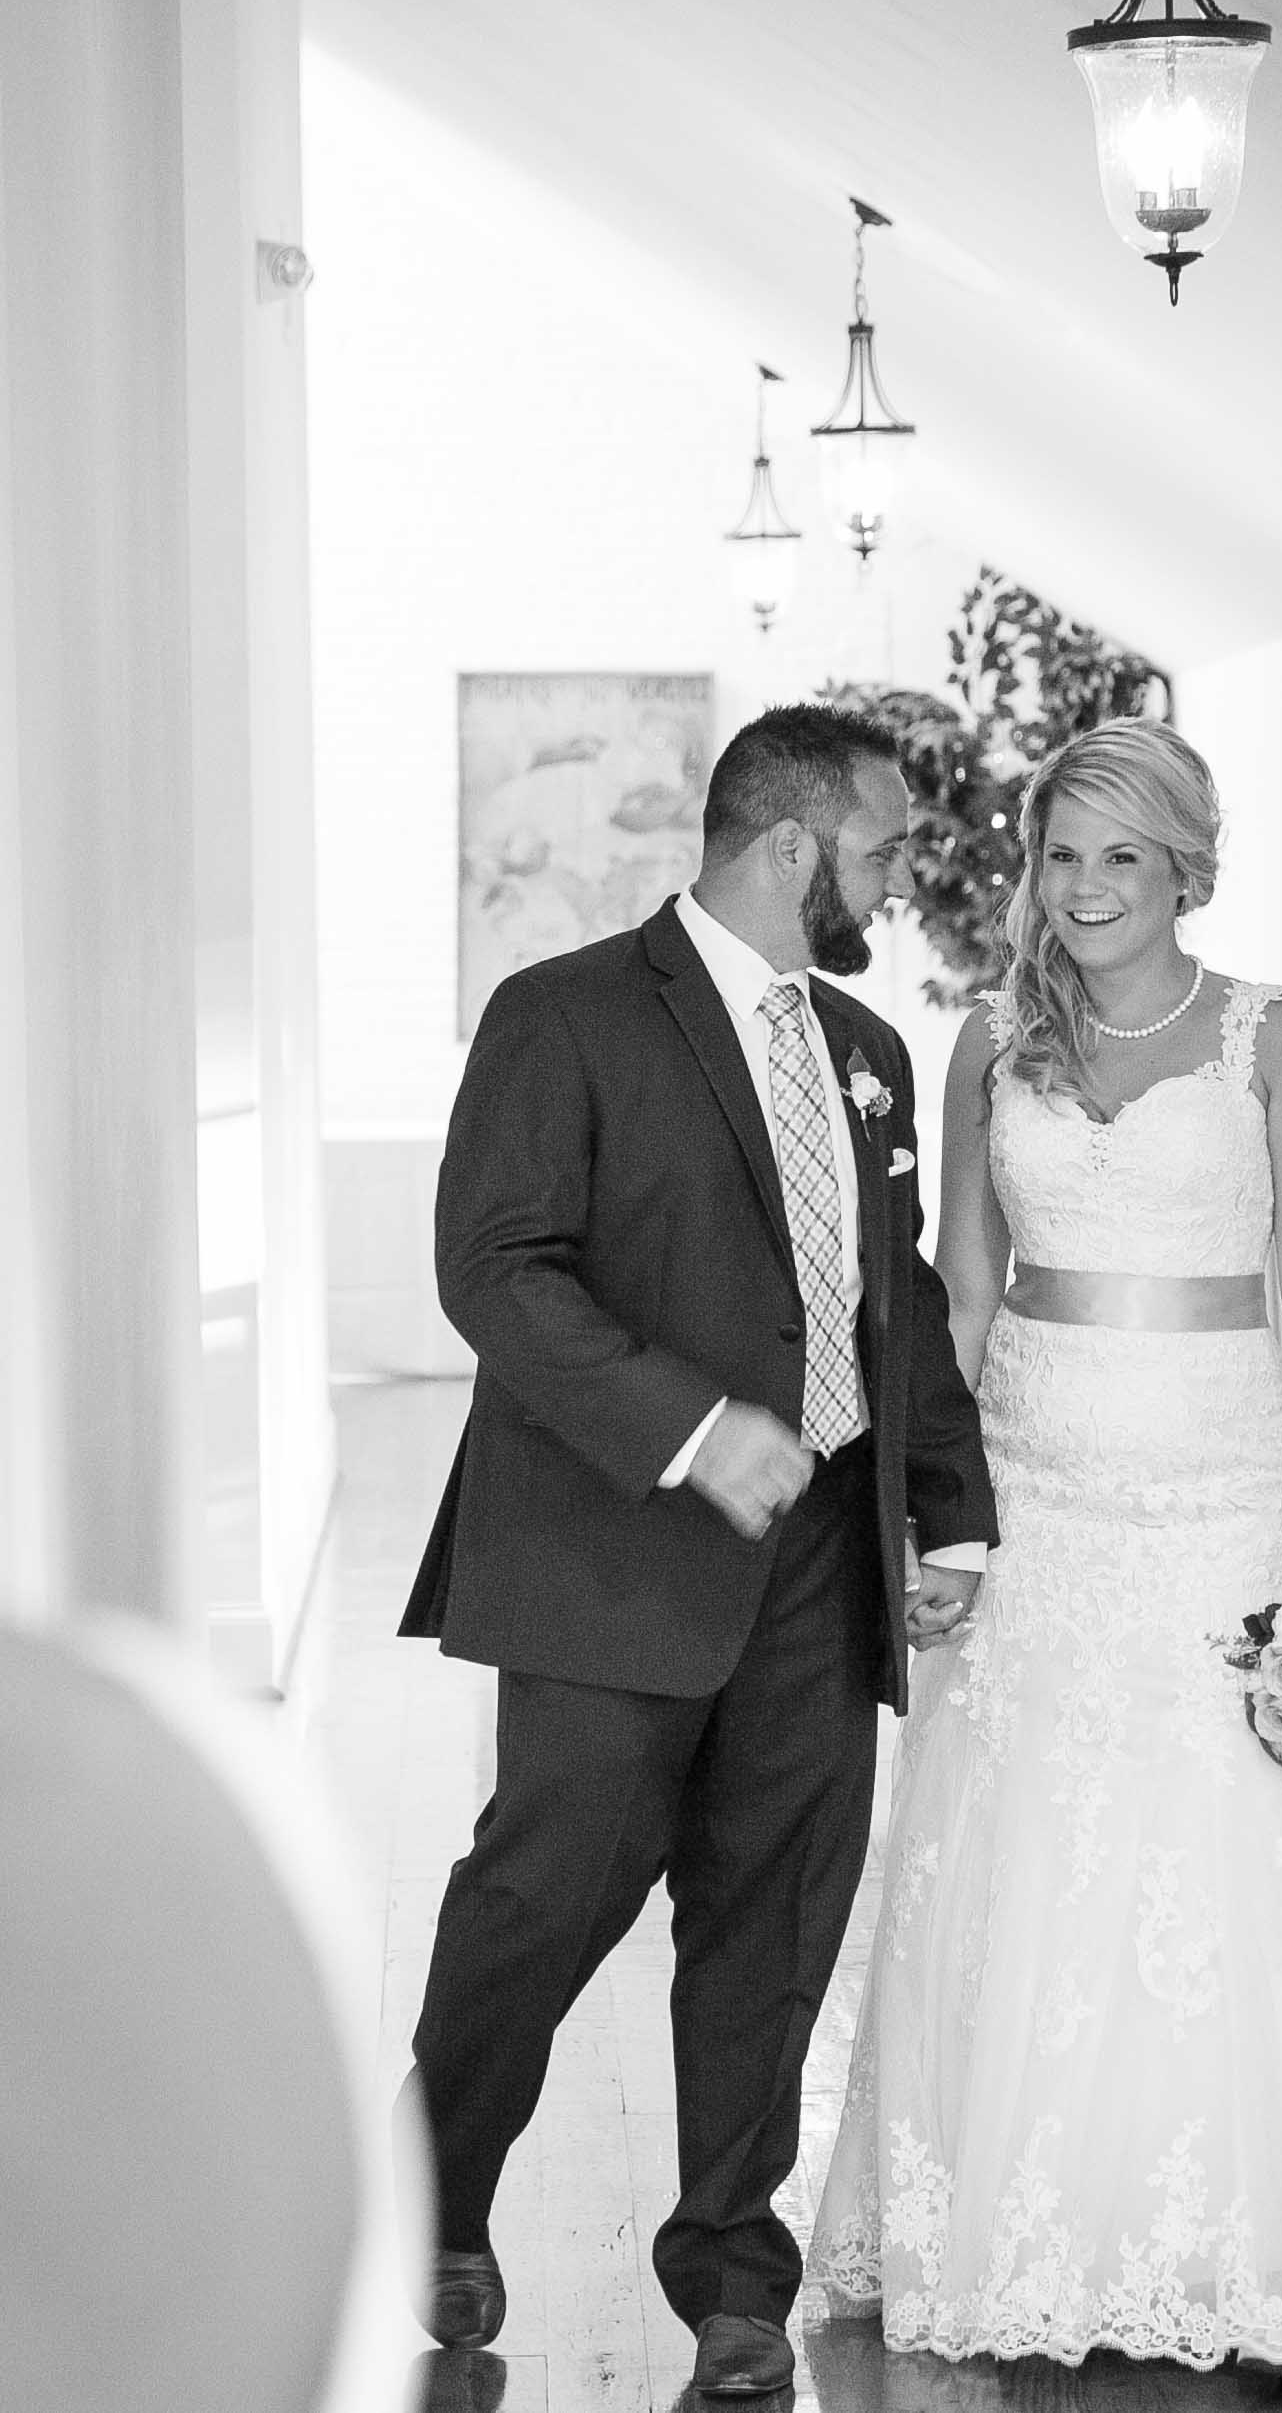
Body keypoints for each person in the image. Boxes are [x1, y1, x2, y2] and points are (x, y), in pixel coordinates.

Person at [807, 718, 1282, 2377]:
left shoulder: (1274, 1034)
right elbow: (963, 1289)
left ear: (1186, 867)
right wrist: (931, 1502)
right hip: (1033, 1477)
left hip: (1221, 1480)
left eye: (1121, 855)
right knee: (1029, 1823)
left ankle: (1257, 2238)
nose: (1085, 887)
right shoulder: (992, 1039)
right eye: (1062, 854)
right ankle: (1033, 2225)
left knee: (1230, 1823)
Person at [397, 703, 998, 2397]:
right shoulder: (565, 1013)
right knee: (542, 1900)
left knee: (777, 1913)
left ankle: (735, 2267)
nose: (896, 878)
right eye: (880, 848)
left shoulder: (866, 1045)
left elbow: (895, 1298)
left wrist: (949, 1505)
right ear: (792, 844)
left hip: (824, 1559)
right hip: (614, 1549)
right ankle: (433, 2189)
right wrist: (689, 1425)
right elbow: (493, 1266)